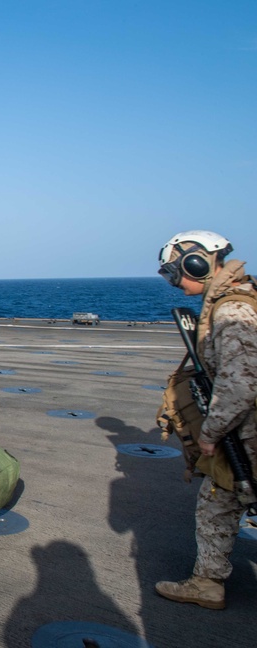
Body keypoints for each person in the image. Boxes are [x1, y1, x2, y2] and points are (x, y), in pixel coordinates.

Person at [155, 230, 257, 610]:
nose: (174, 281)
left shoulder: (232, 311)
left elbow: (241, 384)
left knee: (217, 501)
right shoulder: (238, 300)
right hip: (245, 430)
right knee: (220, 503)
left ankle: (207, 583)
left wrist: (212, 434)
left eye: (173, 272)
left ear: (196, 262)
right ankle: (207, 581)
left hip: (245, 433)